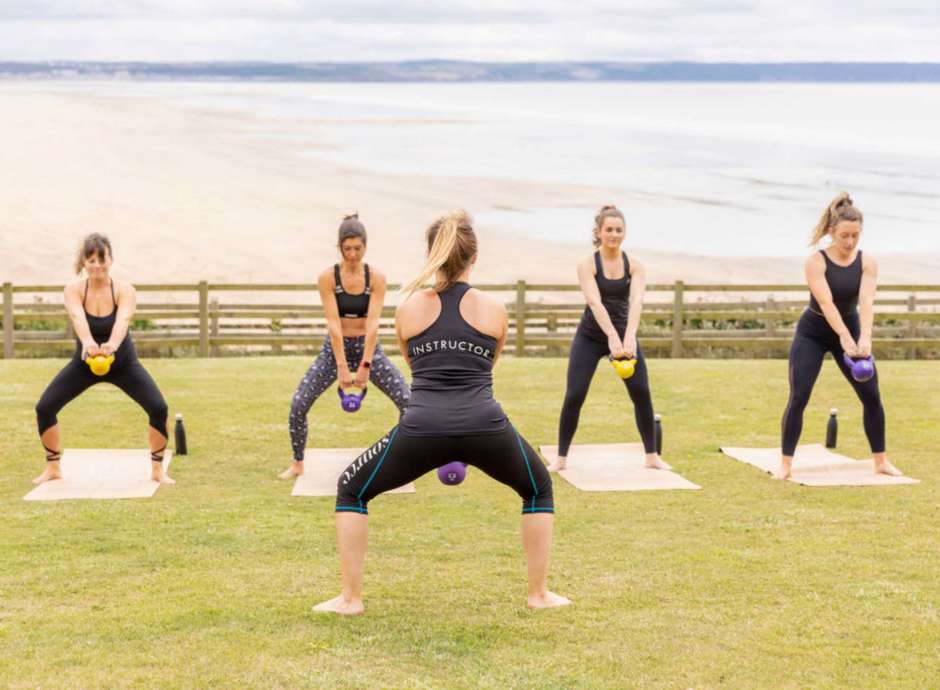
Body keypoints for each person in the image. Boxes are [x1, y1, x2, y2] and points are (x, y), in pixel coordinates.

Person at [313, 211, 569, 614]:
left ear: (431, 255)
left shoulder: (409, 310)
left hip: (421, 427)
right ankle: (538, 595)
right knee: (538, 489)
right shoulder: (494, 310)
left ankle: (351, 599)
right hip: (485, 424)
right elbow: (487, 369)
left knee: (351, 488)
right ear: (474, 256)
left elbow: (418, 371)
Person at [777, 192, 902, 480]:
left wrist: (865, 336)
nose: (849, 242)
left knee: (872, 395)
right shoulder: (816, 262)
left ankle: (880, 461)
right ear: (832, 232)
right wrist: (844, 336)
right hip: (814, 332)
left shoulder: (867, 262)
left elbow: (867, 301)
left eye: (855, 236)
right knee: (799, 396)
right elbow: (826, 303)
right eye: (844, 235)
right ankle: (785, 463)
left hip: (852, 327)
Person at [33, 233, 174, 485]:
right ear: (84, 263)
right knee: (45, 408)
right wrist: (88, 342)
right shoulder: (73, 290)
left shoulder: (124, 290)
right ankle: (53, 468)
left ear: (111, 259)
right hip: (84, 364)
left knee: (158, 408)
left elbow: (123, 320)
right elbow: (77, 317)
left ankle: (157, 470)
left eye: (102, 259)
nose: (97, 265)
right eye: (91, 260)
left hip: (123, 364)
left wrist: (113, 345)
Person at [281, 214, 410, 479]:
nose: (352, 254)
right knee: (298, 404)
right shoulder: (328, 277)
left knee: (409, 402)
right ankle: (297, 463)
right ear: (339, 247)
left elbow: (373, 324)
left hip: (369, 348)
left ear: (365, 247)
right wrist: (341, 366)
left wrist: (365, 365)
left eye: (358, 248)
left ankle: (400, 461)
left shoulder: (376, 277)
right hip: (334, 350)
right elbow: (333, 325)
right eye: (347, 248)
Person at [551, 204, 668, 473]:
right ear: (599, 232)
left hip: (625, 335)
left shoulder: (635, 265)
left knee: (641, 394)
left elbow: (637, 300)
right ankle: (561, 458)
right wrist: (612, 337)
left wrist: (629, 337)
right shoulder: (587, 264)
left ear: (624, 233)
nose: (614, 235)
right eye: (609, 230)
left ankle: (651, 456)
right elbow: (594, 301)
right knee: (575, 395)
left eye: (619, 230)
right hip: (591, 336)